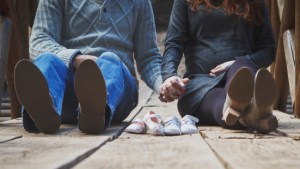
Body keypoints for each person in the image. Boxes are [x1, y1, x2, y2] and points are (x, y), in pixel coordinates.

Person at [14, 0, 162, 134]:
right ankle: (44, 111)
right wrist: (76, 59)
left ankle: (98, 111)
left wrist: (164, 84)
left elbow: (148, 57)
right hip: (68, 93)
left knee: (110, 59)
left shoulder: (140, 2)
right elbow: (39, 41)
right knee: (47, 59)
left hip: (119, 94)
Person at [160, 0, 278, 133]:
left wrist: (235, 62)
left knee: (242, 67)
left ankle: (246, 111)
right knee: (224, 105)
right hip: (199, 84)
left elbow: (268, 50)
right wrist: (169, 76)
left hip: (242, 73)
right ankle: (253, 113)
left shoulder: (255, 2)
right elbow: (174, 43)